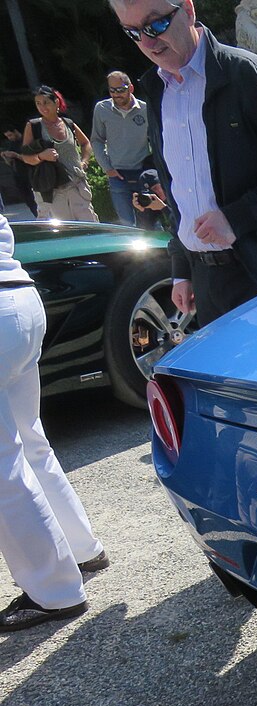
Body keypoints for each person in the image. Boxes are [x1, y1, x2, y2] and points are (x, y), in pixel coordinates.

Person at [110, 0, 257, 324]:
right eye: (133, 32)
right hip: (206, 285)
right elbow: (180, 191)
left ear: (188, 10)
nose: (148, 42)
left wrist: (236, 219)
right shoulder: (158, 91)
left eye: (155, 25)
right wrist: (181, 267)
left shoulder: (248, 75)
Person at [0, 211, 107, 633]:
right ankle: (82, 549)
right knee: (30, 440)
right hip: (19, 297)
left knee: (4, 464)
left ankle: (55, 591)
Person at [20, 87, 98, 222]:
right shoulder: (34, 126)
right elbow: (25, 157)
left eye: (46, 102)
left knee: (90, 227)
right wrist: (41, 156)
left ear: (56, 102)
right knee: (65, 231)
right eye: (38, 103)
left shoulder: (68, 124)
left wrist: (84, 162)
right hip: (52, 190)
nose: (42, 107)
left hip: (77, 185)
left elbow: (86, 143)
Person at [90, 72, 151, 226]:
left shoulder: (146, 109)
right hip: (117, 174)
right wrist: (107, 167)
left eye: (120, 90)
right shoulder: (102, 109)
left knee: (150, 222)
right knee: (127, 224)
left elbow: (158, 139)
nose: (116, 95)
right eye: (112, 90)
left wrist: (155, 168)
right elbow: (96, 140)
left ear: (130, 88)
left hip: (143, 173)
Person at [1, 129, 38, 218]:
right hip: (19, 176)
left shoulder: (25, 141)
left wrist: (16, 155)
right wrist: (5, 156)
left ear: (16, 131)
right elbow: (10, 163)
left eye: (10, 135)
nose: (10, 138)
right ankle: (36, 216)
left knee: (35, 199)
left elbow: (32, 158)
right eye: (7, 136)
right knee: (28, 199)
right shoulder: (12, 144)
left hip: (30, 174)